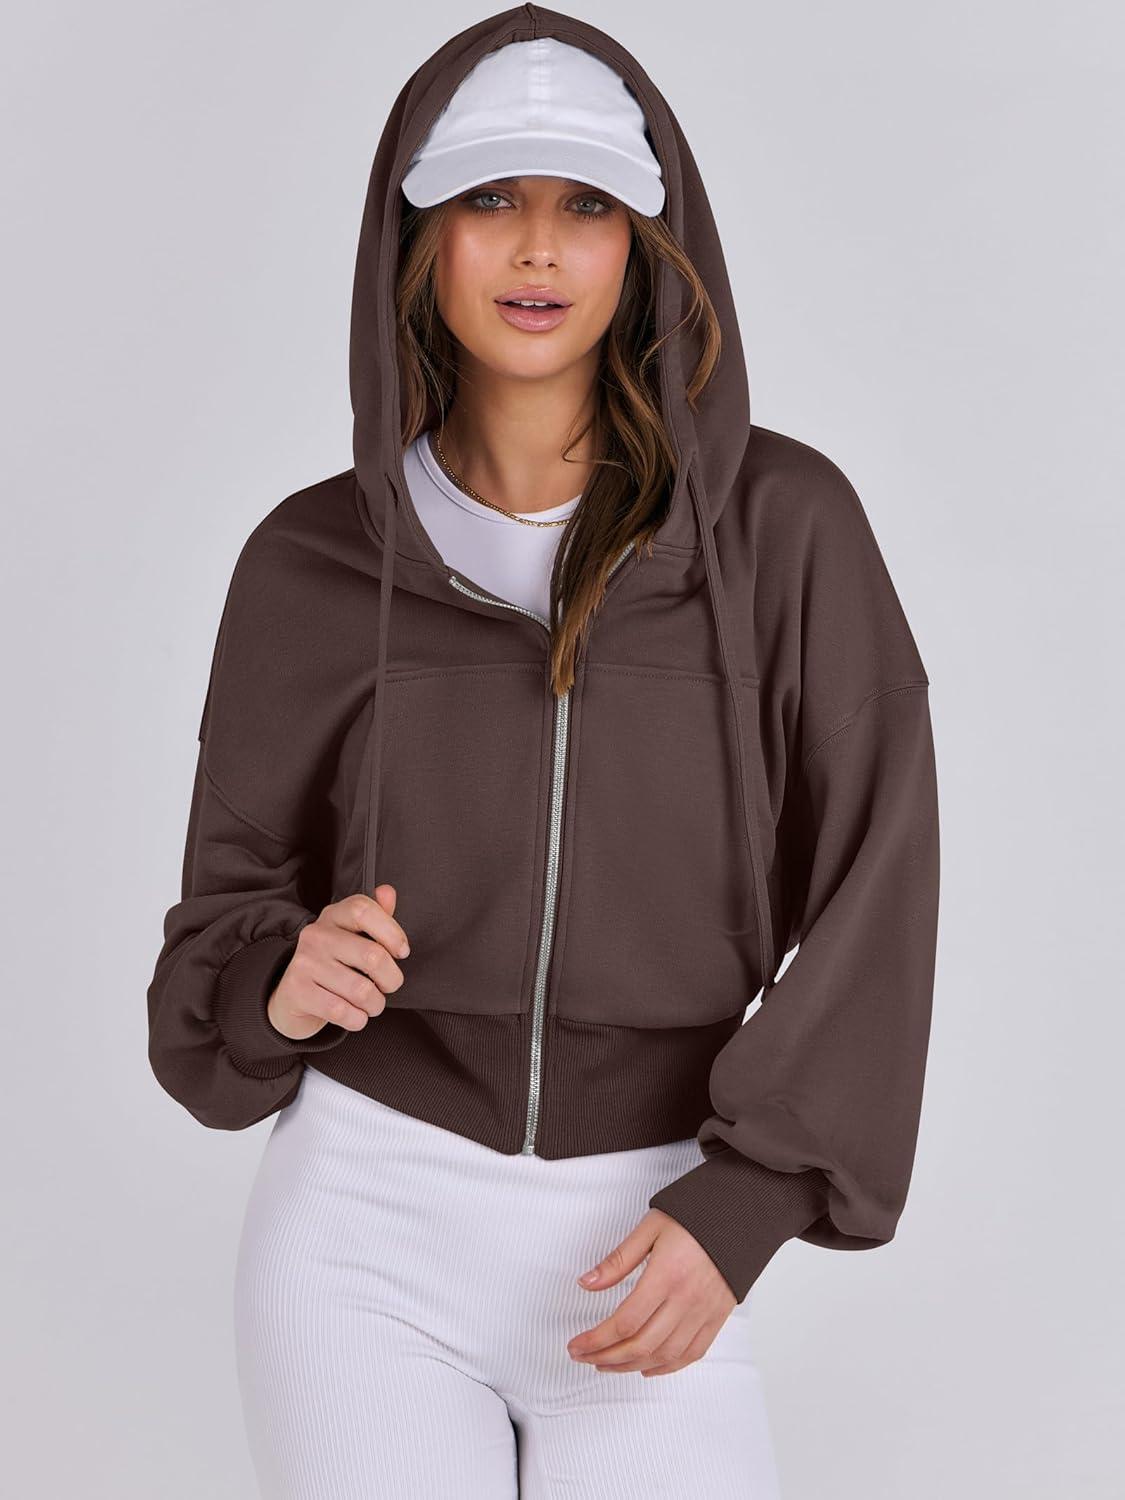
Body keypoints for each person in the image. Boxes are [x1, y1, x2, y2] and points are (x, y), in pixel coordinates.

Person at [146, 7, 940, 1498]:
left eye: (585, 206)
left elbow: (876, 885)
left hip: (652, 1235)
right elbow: (223, 921)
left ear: (645, 243)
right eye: (489, 199)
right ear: (418, 239)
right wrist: (276, 982)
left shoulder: (784, 535)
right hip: (363, 1231)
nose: (535, 248)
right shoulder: (309, 563)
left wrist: (749, 1201)